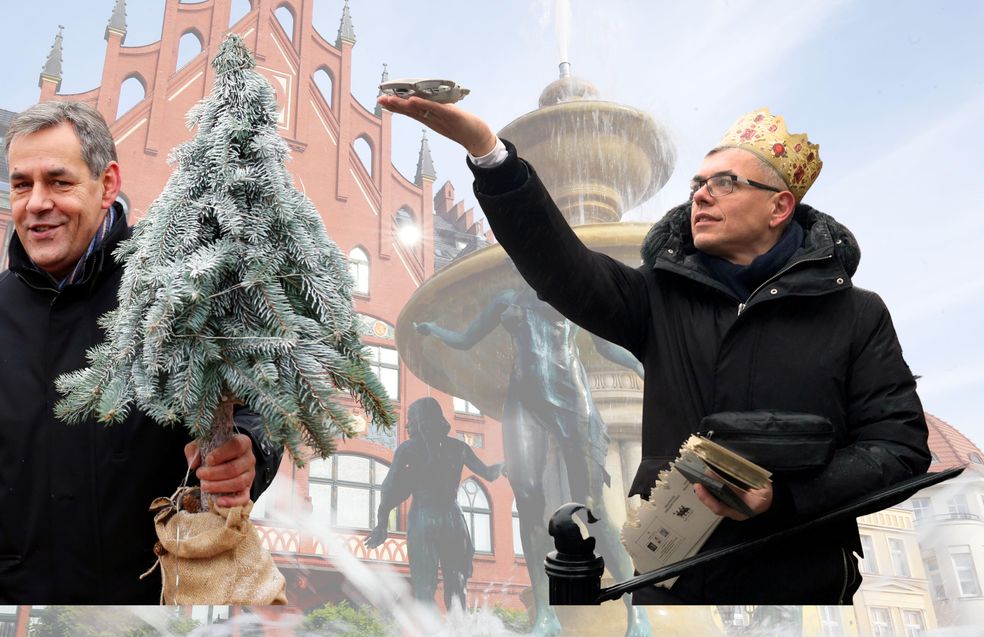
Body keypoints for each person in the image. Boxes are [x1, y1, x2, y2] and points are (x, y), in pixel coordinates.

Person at [378, 95, 930, 605]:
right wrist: (492, 158)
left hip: (805, 586)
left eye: (726, 183)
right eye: (697, 183)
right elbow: (561, 268)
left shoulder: (856, 314)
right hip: (680, 580)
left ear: (780, 206)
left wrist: (783, 496)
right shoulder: (656, 296)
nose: (701, 195)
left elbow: (899, 449)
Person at [0, 101, 280, 604]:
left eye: (59, 182)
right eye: (22, 184)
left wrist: (250, 453)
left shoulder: (178, 295)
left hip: (154, 613)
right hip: (23, 614)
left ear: (107, 184)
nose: (37, 203)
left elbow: (258, 415)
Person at [414, 287, 650, 637]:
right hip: (523, 402)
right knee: (527, 502)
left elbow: (603, 345)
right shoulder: (507, 298)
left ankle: (637, 608)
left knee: (593, 507)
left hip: (571, 396)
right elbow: (466, 340)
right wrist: (434, 328)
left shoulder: (576, 290)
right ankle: (546, 615)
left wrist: (637, 362)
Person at [364, 397, 503, 612]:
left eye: (410, 419)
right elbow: (490, 474)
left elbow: (389, 487)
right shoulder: (459, 447)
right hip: (453, 520)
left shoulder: (409, 449)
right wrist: (508, 464)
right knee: (457, 586)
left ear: (420, 421)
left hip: (423, 519)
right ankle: (460, 634)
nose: (407, 425)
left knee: (424, 589)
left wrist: (382, 523)